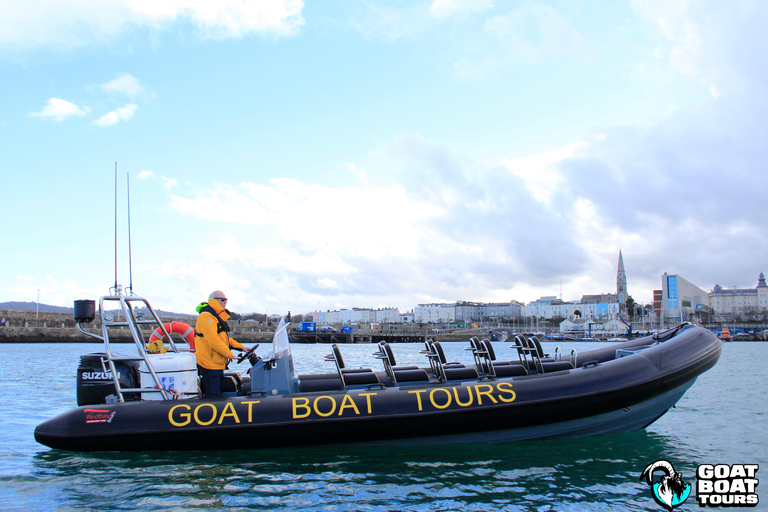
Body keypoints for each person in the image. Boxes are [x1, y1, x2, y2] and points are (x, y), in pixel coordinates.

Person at [194, 291, 249, 398]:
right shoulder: (207, 317)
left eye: (226, 300)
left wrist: (241, 347)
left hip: (217, 364)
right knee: (213, 395)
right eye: (223, 300)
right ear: (214, 300)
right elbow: (214, 341)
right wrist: (229, 354)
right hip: (209, 364)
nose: (225, 302)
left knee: (217, 393)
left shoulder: (215, 317)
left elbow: (225, 339)